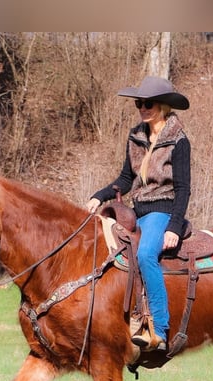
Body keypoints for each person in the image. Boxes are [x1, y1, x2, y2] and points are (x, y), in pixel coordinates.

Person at [86, 76, 191, 352]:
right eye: (138, 103)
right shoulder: (136, 136)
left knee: (145, 255)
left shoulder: (178, 141)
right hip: (137, 211)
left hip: (163, 210)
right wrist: (100, 196)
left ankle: (160, 328)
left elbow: (182, 189)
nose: (142, 108)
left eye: (148, 103)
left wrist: (174, 227)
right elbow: (125, 178)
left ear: (164, 106)